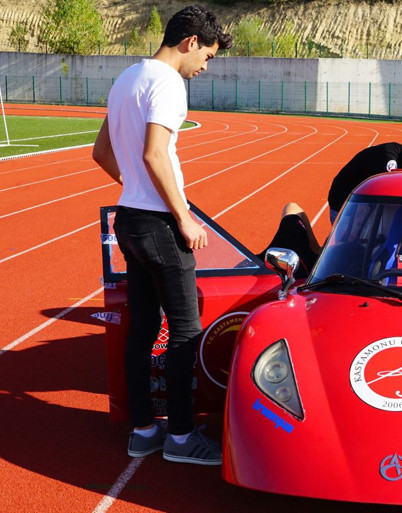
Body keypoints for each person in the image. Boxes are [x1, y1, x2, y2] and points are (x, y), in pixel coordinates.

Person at [92, 5, 233, 464]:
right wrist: (185, 217)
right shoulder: (169, 83)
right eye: (207, 56)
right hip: (158, 224)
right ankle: (180, 437)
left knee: (143, 330)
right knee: (186, 332)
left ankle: (143, 430)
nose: (204, 67)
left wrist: (132, 188)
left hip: (130, 220)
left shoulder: (125, 77)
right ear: (190, 41)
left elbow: (100, 152)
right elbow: (155, 155)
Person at [327, 140, 402, 222]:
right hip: (344, 204)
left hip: (366, 202)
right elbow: (391, 200)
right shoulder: (389, 159)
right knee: (356, 250)